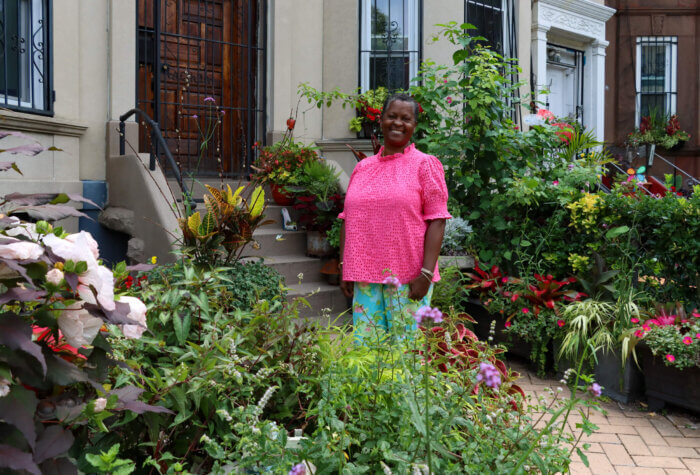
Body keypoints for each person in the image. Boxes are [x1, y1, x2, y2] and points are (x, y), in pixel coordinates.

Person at [338, 93, 451, 341]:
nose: (398, 123)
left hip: (409, 278)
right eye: (392, 116)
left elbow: (438, 220)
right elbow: (348, 218)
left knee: (406, 352)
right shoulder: (363, 167)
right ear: (381, 120)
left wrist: (426, 274)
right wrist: (345, 267)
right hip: (364, 274)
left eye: (405, 118)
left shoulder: (425, 165)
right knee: (367, 352)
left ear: (414, 126)